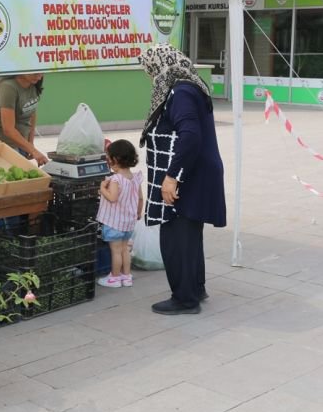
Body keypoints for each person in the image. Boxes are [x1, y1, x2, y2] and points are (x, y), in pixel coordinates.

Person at [140, 45, 226, 316]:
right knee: (189, 237)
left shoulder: (180, 92)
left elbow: (189, 135)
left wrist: (171, 178)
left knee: (176, 238)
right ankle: (195, 289)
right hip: (197, 173)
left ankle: (185, 299)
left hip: (189, 176)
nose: (149, 75)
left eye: (149, 69)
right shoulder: (189, 86)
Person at [95, 139, 144, 289]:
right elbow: (141, 198)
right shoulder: (135, 177)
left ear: (115, 159)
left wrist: (102, 189)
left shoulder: (116, 179)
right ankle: (126, 276)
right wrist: (138, 213)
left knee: (115, 251)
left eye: (108, 158)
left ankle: (114, 278)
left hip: (114, 223)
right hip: (129, 222)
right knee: (125, 250)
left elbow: (112, 198)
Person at [0, 73, 49, 165]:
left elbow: (32, 113)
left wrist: (30, 143)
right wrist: (34, 151)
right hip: (3, 144)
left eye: (42, 72)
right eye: (35, 72)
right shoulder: (7, 87)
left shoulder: (33, 83)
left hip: (21, 142)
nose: (39, 77)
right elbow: (8, 129)